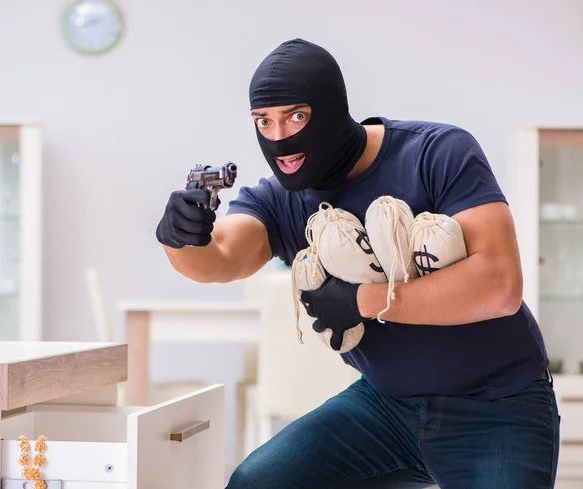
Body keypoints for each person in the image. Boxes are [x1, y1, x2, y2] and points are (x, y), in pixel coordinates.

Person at [156, 39, 559, 489]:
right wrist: (180, 236)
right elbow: (219, 260)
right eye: (263, 122)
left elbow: (500, 285)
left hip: (499, 406)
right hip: (386, 408)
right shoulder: (279, 199)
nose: (279, 137)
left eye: (296, 116)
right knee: (257, 482)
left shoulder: (437, 152)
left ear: (330, 110)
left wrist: (364, 300)